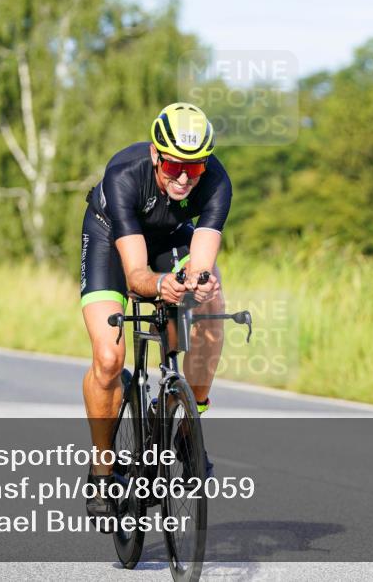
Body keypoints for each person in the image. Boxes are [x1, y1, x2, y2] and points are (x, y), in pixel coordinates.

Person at [80, 102, 231, 518]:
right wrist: (162, 285)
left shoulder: (216, 181)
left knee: (213, 307)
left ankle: (184, 422)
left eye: (195, 168)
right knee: (109, 359)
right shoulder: (124, 175)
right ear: (154, 155)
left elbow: (200, 260)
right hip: (113, 239)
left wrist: (199, 283)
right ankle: (103, 467)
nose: (184, 178)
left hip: (171, 237)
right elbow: (136, 275)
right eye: (173, 167)